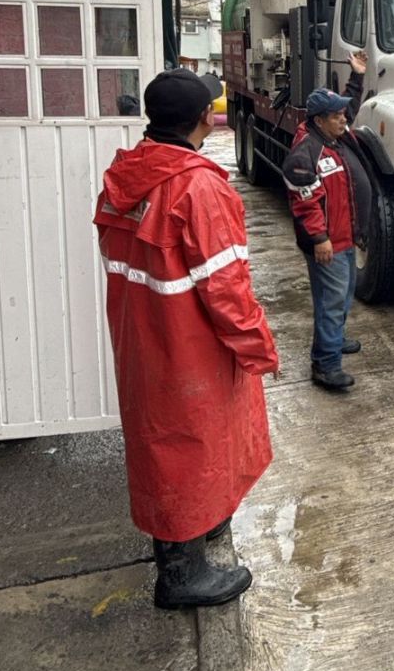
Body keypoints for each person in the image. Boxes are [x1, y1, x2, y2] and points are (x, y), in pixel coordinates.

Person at [94, 69, 280, 611]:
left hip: (142, 335)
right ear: (207, 118)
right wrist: (260, 349)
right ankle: (180, 574)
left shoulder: (125, 173)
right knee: (188, 447)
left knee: (164, 442)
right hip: (190, 347)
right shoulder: (198, 187)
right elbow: (227, 289)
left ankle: (201, 526)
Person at [283, 52, 372, 392]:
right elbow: (305, 204)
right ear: (319, 120)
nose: (343, 120)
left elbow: (348, 109)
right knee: (332, 299)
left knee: (341, 295)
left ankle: (333, 337)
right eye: (336, 116)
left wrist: (356, 76)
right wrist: (319, 239)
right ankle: (326, 363)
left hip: (345, 238)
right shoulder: (306, 154)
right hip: (328, 243)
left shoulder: (333, 136)